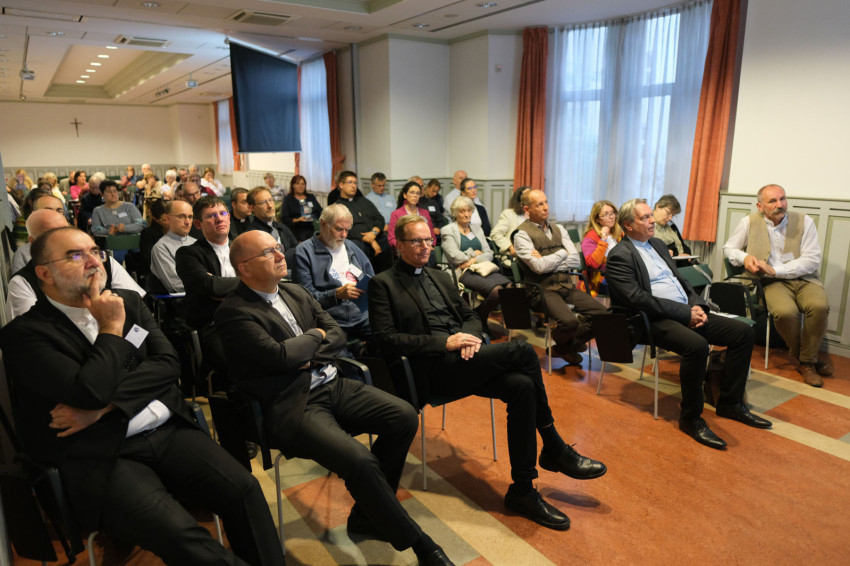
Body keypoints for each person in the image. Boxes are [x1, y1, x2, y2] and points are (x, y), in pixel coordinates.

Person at [0, 226, 285, 566]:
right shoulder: (25, 334)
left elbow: (168, 363)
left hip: (167, 430)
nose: (94, 262)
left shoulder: (129, 301)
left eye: (95, 251)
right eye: (76, 255)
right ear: (44, 273)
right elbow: (88, 391)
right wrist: (111, 328)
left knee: (245, 489)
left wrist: (106, 406)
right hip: (104, 453)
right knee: (178, 532)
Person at [215, 230, 454, 566]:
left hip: (332, 384)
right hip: (292, 403)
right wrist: (316, 335)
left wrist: (306, 352)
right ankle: (420, 544)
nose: (281, 255)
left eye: (278, 248)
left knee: (403, 416)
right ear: (245, 268)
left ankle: (368, 514)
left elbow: (338, 334)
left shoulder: (295, 292)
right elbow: (280, 356)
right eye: (269, 252)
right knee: (360, 461)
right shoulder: (233, 311)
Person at [370, 215, 607, 530]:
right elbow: (386, 339)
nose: (425, 246)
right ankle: (554, 446)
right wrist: (445, 342)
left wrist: (470, 337)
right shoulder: (383, 283)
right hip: (430, 370)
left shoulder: (439, 277)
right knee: (523, 351)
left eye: (428, 240)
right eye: (416, 241)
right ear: (398, 245)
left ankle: (523, 490)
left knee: (522, 386)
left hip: (464, 359)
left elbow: (470, 314)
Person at [606, 199, 772, 449]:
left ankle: (730, 403)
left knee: (743, 333)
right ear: (628, 225)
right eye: (644, 218)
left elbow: (681, 280)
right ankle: (691, 418)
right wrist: (685, 313)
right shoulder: (620, 255)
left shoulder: (657, 244)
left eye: (651, 216)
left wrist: (698, 306)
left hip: (685, 310)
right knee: (697, 346)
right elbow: (637, 299)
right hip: (652, 319)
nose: (652, 221)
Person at [722, 184, 832, 387]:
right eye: (772, 201)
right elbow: (729, 249)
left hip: (805, 278)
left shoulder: (805, 221)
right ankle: (808, 361)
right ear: (760, 206)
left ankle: (806, 361)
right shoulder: (748, 222)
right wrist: (745, 257)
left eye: (783, 199)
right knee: (784, 312)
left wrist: (776, 270)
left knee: (819, 306)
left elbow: (812, 259)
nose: (780, 204)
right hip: (771, 283)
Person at [513, 190, 608, 364]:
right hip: (541, 290)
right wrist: (563, 253)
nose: (545, 207)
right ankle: (568, 344)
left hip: (566, 286)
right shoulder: (521, 235)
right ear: (527, 209)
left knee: (603, 315)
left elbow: (574, 260)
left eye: (546, 202)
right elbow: (539, 268)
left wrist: (548, 260)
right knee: (569, 322)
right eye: (539, 204)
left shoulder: (559, 229)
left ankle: (566, 346)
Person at [6, 209, 146, 321]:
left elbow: (137, 307)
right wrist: (109, 326)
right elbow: (30, 332)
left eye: (94, 251)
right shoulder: (24, 282)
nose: (94, 262)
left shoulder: (103, 262)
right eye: (52, 234)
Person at [175, 196, 240, 388]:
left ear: (229, 217)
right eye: (211, 216)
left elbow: (262, 280)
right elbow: (210, 287)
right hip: (213, 323)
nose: (219, 219)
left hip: (250, 316)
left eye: (222, 213)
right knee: (235, 360)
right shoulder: (188, 254)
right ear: (198, 224)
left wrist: (221, 286)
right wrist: (249, 283)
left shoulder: (242, 247)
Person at [294, 204, 375, 342]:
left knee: (388, 341)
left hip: (361, 315)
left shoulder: (351, 247)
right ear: (323, 224)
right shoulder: (304, 252)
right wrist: (336, 294)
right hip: (331, 319)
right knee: (340, 353)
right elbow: (305, 299)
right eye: (339, 229)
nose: (344, 235)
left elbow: (371, 279)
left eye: (347, 230)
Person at [441, 196, 512, 322]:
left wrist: (473, 260)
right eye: (462, 211)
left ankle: (478, 315)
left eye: (469, 210)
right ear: (455, 213)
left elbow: (489, 253)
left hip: (481, 268)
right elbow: (455, 257)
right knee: (497, 291)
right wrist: (474, 253)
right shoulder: (447, 230)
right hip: (461, 271)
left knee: (509, 286)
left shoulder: (477, 229)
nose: (466, 214)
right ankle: (481, 319)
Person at [333, 170, 390, 270]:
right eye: (350, 182)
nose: (353, 186)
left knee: (386, 242)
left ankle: (384, 276)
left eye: (355, 183)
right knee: (357, 246)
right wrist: (370, 240)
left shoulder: (363, 201)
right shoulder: (337, 206)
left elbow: (379, 218)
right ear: (341, 185)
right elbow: (346, 229)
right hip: (356, 239)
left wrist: (374, 233)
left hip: (373, 235)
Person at [150, 200, 196, 294]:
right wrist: (209, 285)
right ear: (168, 218)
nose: (187, 222)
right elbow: (176, 285)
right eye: (181, 216)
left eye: (190, 217)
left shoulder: (196, 243)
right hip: (183, 299)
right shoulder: (161, 248)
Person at [246, 186, 298, 269]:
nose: (270, 206)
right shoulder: (253, 234)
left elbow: (297, 250)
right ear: (252, 208)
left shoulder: (282, 227)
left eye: (270, 200)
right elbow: (268, 263)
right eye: (263, 203)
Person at [581, 200, 623, 296]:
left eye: (612, 213)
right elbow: (593, 263)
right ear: (597, 220)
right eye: (606, 214)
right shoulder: (590, 236)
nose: (611, 216)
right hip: (600, 278)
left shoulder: (619, 233)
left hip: (619, 272)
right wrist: (603, 240)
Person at [651, 194, 696, 266]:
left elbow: (682, 244)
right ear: (658, 207)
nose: (670, 218)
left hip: (681, 263)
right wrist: (677, 254)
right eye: (668, 213)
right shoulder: (648, 225)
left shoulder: (671, 225)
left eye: (673, 215)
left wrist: (687, 254)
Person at [387, 181, 435, 248]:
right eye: (412, 192)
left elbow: (432, 235)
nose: (415, 196)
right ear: (405, 195)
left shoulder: (425, 213)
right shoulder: (396, 214)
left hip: (425, 248)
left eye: (417, 193)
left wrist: (430, 245)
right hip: (405, 249)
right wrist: (405, 247)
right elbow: (392, 238)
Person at [490, 185, 532, 259]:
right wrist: (510, 247)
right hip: (514, 256)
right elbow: (495, 234)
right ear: (520, 203)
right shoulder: (509, 214)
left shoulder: (537, 215)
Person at [279, 175, 322, 242]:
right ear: (293, 185)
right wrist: (297, 219)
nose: (300, 186)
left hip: (314, 224)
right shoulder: (288, 199)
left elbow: (320, 211)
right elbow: (284, 218)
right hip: (298, 226)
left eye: (303, 184)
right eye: (297, 184)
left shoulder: (311, 197)